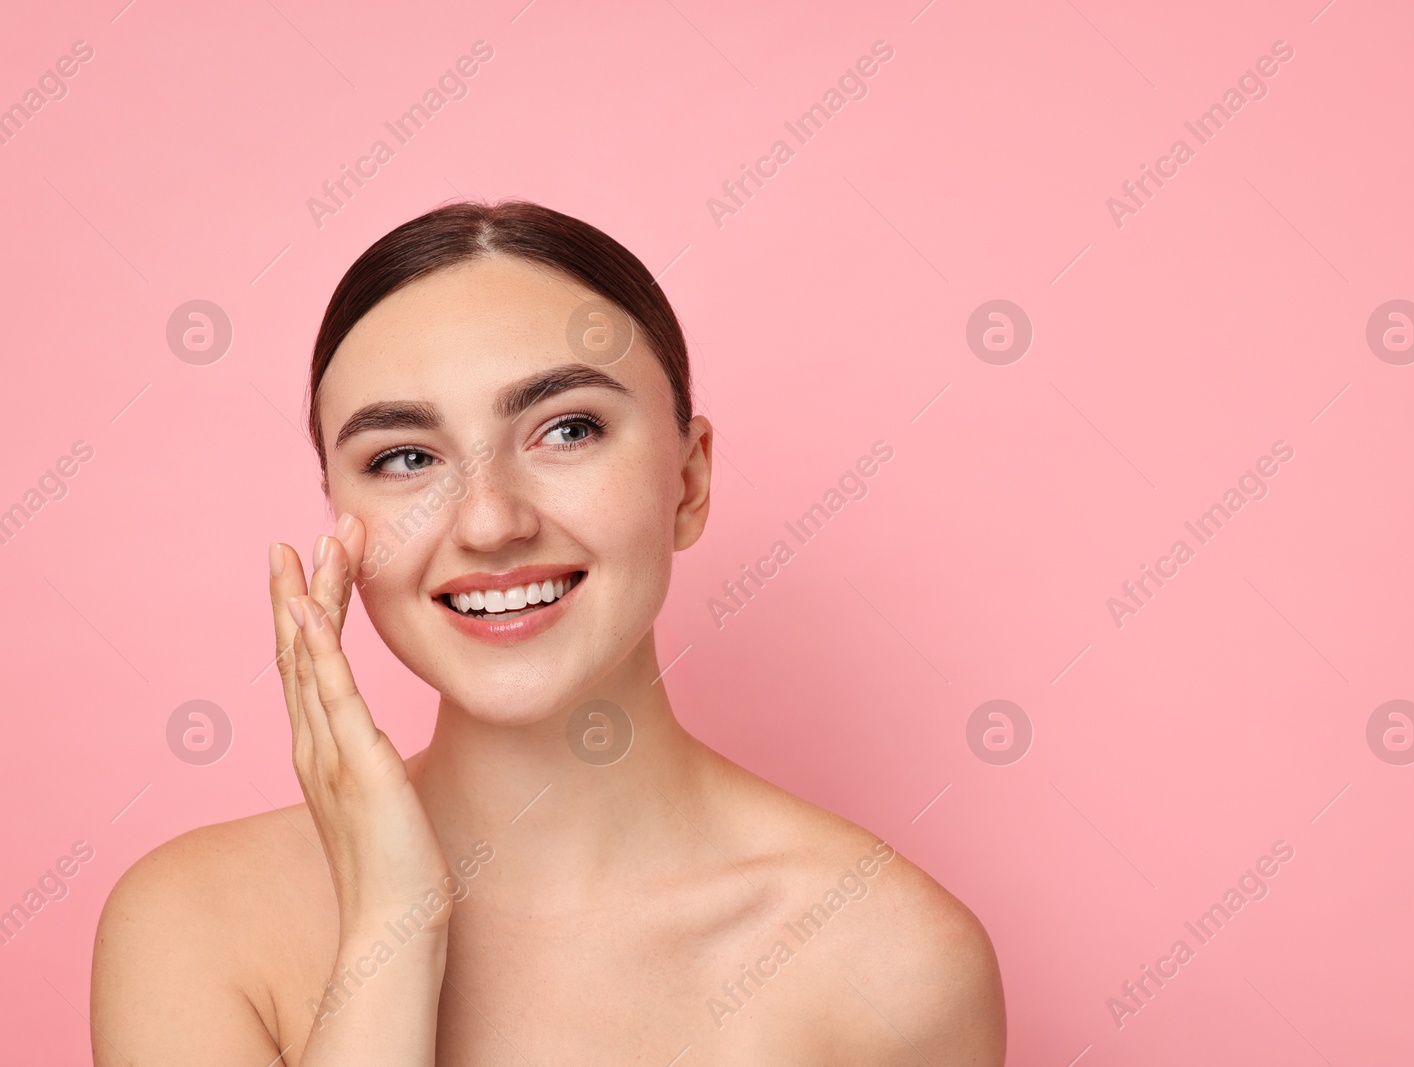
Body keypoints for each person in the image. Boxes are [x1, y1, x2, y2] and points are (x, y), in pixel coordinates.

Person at [90, 200, 1005, 1065]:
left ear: (688, 482)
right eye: (404, 457)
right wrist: (392, 928)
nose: (489, 524)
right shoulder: (194, 923)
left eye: (566, 430)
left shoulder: (890, 957)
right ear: (340, 515)